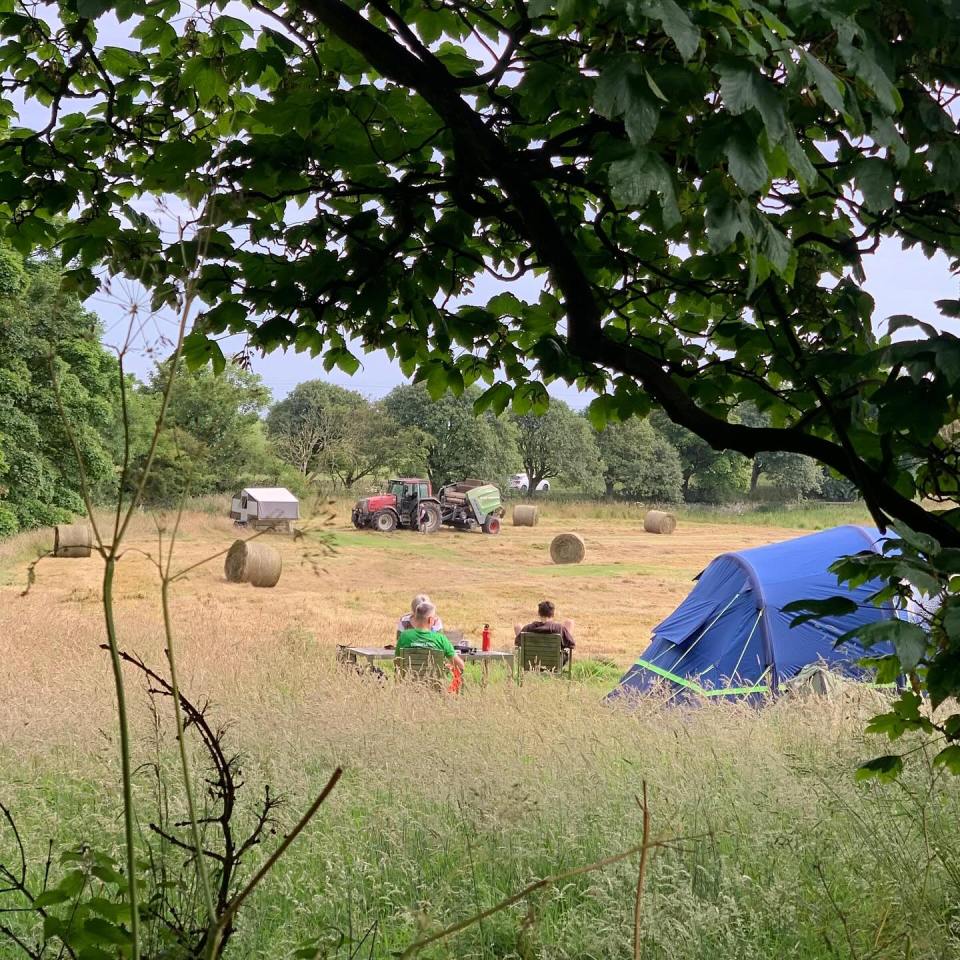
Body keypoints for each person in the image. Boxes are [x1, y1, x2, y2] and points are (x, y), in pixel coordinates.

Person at [396, 601, 464, 690]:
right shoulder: (441, 639)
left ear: (415, 618)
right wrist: (445, 667)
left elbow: (397, 664)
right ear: (430, 620)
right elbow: (460, 666)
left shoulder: (404, 636)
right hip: (434, 689)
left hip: (409, 688)